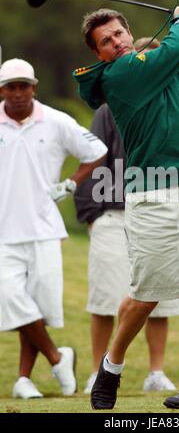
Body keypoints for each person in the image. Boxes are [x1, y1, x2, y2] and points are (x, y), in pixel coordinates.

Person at [73, 6, 179, 410]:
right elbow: (173, 50)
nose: (116, 42)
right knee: (146, 296)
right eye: (106, 42)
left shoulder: (159, 76)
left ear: (129, 32)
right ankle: (112, 365)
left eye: (118, 34)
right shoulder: (120, 76)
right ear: (101, 55)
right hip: (153, 195)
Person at [74, 36, 179, 395]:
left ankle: (156, 372)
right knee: (106, 298)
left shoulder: (173, 104)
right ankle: (96, 371)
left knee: (161, 298)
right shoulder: (110, 107)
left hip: (161, 210)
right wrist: (92, 214)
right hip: (114, 213)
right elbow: (92, 158)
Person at [0, 58, 107, 399]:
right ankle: (59, 359)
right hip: (3, 232)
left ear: (34, 87)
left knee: (37, 307)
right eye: (11, 87)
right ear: (1, 90)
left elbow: (97, 152)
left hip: (45, 227)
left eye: (24, 86)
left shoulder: (57, 121)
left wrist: (73, 183)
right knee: (12, 298)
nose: (18, 93)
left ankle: (23, 380)